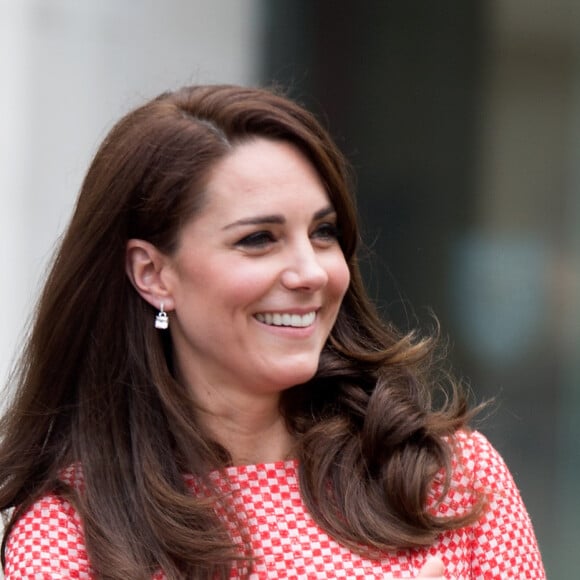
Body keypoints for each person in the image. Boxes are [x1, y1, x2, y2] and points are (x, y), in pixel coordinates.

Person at [0, 85, 545, 579]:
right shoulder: (69, 536)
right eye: (259, 239)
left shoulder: (447, 478)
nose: (310, 272)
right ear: (153, 274)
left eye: (324, 232)